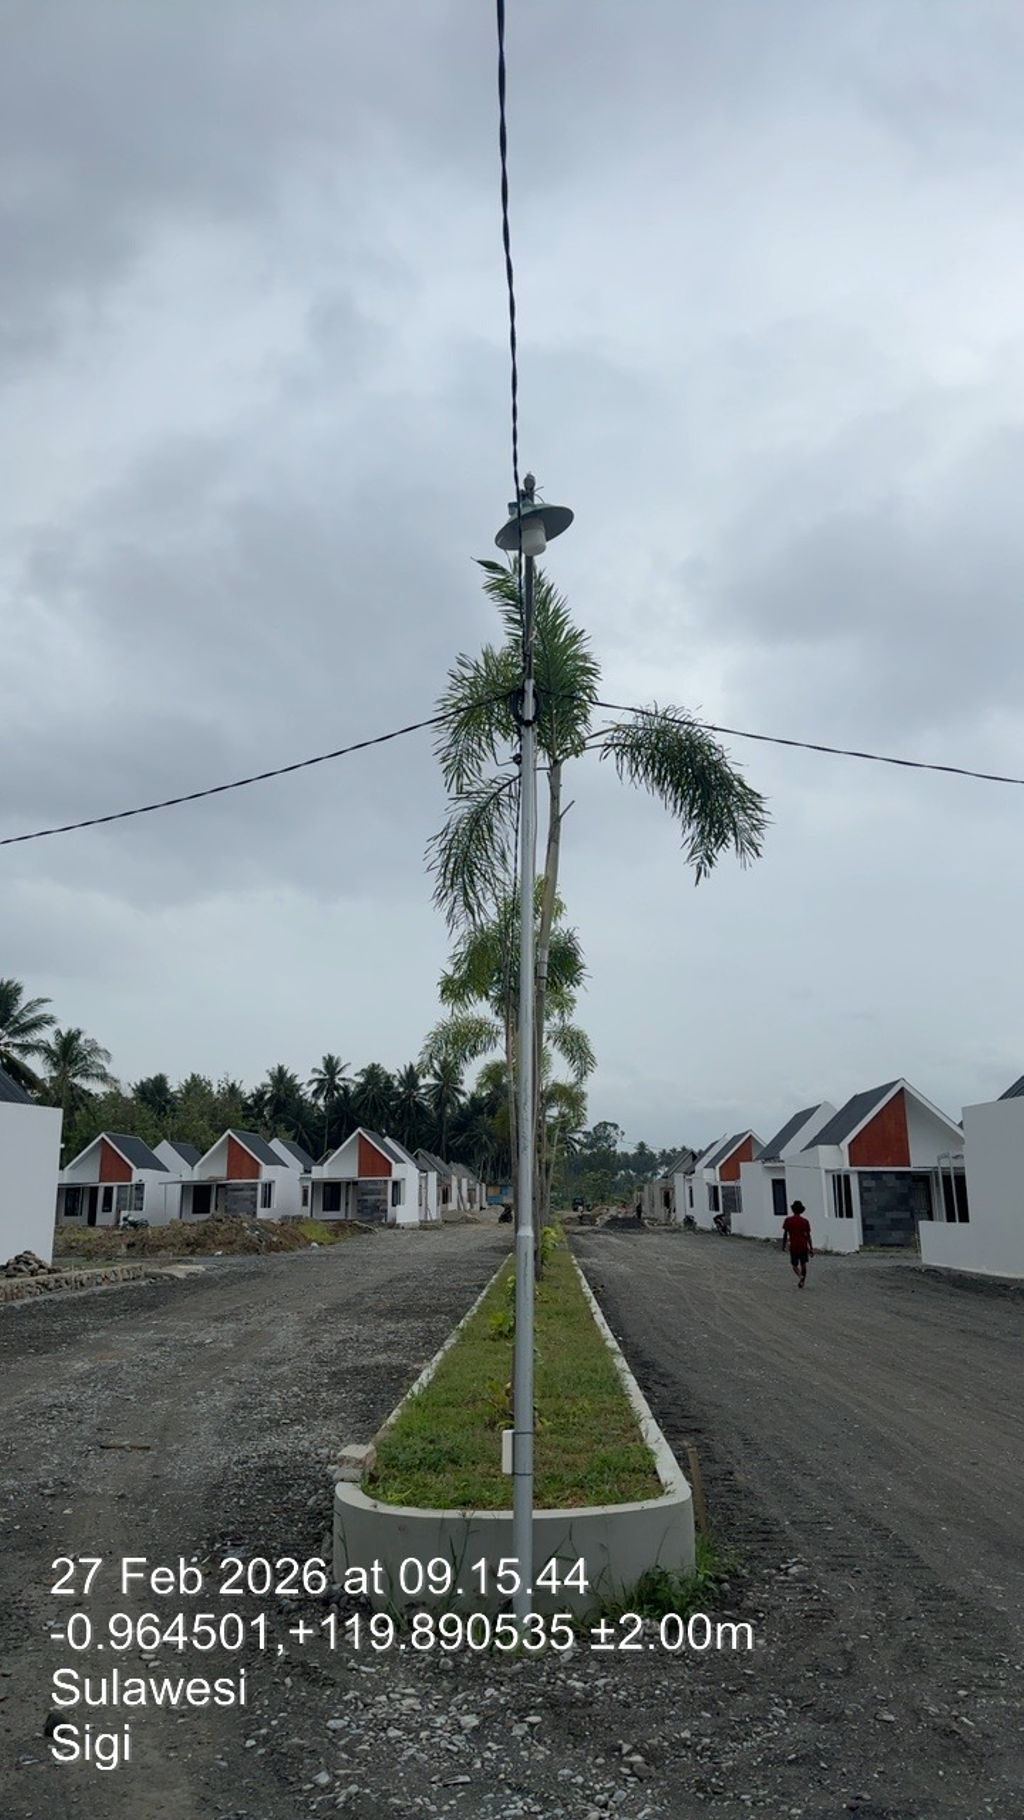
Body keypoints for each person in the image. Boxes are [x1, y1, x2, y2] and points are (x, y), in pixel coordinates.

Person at [782, 1200, 813, 1287]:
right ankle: (802, 1282)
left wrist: (784, 1245)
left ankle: (800, 1276)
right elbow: (808, 1236)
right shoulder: (805, 1221)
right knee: (803, 1264)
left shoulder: (788, 1220)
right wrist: (811, 1248)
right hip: (803, 1245)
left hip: (794, 1245)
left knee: (794, 1265)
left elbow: (785, 1234)